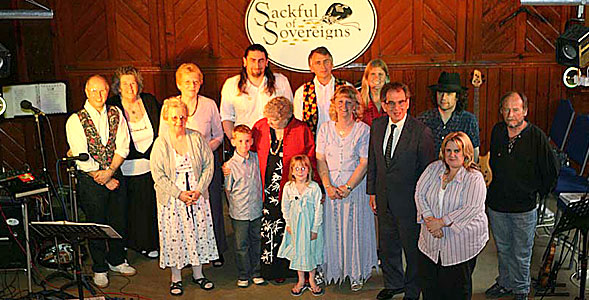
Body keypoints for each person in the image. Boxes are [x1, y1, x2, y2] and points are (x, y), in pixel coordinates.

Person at [485, 92, 559, 300]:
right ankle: (505, 283)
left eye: (516, 109)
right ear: (501, 111)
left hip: (523, 208)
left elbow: (551, 171)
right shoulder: (498, 131)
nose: (510, 114)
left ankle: (521, 290)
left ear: (525, 111)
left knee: (522, 253)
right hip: (497, 204)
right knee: (503, 249)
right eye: (506, 109)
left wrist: (534, 193)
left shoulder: (536, 137)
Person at [65, 75, 136, 288]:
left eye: (103, 90)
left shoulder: (116, 114)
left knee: (118, 220)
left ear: (108, 91)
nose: (99, 95)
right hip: (90, 180)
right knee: (96, 223)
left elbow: (123, 146)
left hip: (114, 174)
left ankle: (116, 260)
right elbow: (79, 154)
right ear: (87, 92)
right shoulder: (75, 120)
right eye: (94, 90)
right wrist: (104, 179)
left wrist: (112, 171)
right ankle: (99, 267)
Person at [366, 82, 435, 300]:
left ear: (408, 102)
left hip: (410, 203)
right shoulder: (377, 126)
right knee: (388, 247)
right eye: (391, 103)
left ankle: (413, 291)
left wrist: (423, 205)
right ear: (384, 105)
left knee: (412, 251)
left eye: (401, 102)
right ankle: (394, 284)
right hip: (383, 199)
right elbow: (374, 162)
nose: (397, 108)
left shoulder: (420, 131)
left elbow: (428, 173)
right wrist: (372, 192)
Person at [160, 63, 227, 267]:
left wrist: (204, 150)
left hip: (205, 164)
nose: (192, 85)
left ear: (201, 83)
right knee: (183, 211)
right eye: (187, 81)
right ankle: (187, 253)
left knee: (212, 206)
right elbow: (163, 137)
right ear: (179, 83)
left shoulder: (209, 104)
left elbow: (219, 135)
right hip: (178, 166)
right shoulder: (170, 105)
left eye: (196, 81)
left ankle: (215, 250)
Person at [150, 98, 217, 296]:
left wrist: (199, 189)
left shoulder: (196, 138)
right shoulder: (160, 143)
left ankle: (199, 274)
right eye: (174, 117)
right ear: (166, 118)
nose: (178, 121)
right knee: (175, 236)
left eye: (182, 116)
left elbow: (208, 165)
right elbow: (158, 175)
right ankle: (176, 278)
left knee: (198, 233)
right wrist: (179, 194)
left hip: (197, 195)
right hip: (173, 199)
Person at [251, 96, 319, 282]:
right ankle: (275, 271)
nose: (269, 123)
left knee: (294, 228)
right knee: (271, 229)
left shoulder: (301, 129)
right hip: (269, 190)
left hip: (294, 189)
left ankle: (296, 270)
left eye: (274, 121)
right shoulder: (260, 126)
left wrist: (314, 186)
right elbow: (248, 150)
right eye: (269, 119)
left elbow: (310, 159)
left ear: (286, 118)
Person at [316, 86, 377, 291]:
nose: (344, 106)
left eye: (348, 102)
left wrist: (348, 186)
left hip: (354, 188)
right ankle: (332, 269)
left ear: (355, 106)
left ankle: (355, 272)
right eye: (340, 102)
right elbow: (320, 159)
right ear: (334, 104)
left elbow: (364, 162)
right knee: (331, 230)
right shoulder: (324, 129)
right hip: (331, 187)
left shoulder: (363, 130)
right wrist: (328, 186)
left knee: (354, 229)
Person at [415, 131, 488, 300]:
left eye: (457, 151)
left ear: (466, 153)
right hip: (430, 240)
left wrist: (441, 222)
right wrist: (429, 220)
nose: (452, 155)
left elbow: (471, 207)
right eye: (448, 150)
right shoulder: (434, 168)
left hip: (460, 243)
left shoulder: (473, 177)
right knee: (430, 287)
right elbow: (420, 193)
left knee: (456, 289)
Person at [107, 66, 160, 259]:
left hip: (151, 166)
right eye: (125, 84)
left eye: (133, 83)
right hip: (124, 168)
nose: (131, 87)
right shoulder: (112, 105)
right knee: (129, 211)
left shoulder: (150, 101)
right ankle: (130, 245)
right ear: (118, 87)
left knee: (149, 208)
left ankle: (149, 243)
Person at [220, 44, 293, 138]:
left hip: (274, 141)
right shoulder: (231, 84)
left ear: (267, 62)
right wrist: (234, 141)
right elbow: (227, 117)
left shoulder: (281, 81)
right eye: (252, 60)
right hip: (245, 143)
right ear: (245, 61)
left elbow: (289, 114)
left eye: (261, 61)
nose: (257, 65)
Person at [224, 125, 266, 288]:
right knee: (241, 244)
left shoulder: (257, 158)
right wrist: (232, 208)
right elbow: (228, 190)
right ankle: (243, 274)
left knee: (256, 240)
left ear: (252, 141)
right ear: (233, 142)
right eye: (240, 141)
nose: (244, 145)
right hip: (239, 212)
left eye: (247, 141)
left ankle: (256, 272)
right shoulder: (229, 166)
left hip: (256, 210)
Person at [277, 155, 324, 296]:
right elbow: (284, 206)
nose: (300, 171)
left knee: (311, 252)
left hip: (310, 227)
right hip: (296, 227)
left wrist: (315, 228)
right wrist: (288, 223)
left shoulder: (314, 188)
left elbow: (318, 209)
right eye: (296, 168)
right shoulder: (288, 187)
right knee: (299, 253)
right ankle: (301, 280)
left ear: (309, 170)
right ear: (291, 171)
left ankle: (312, 280)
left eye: (303, 168)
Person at [418, 72, 480, 159]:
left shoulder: (468, 120)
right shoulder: (424, 119)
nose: (443, 98)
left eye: (449, 94)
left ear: (457, 97)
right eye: (440, 93)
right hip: (430, 170)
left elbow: (474, 153)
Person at [293, 46, 350, 137]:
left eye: (326, 62)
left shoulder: (346, 88)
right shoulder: (302, 92)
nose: (323, 67)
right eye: (318, 63)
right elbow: (298, 124)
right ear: (311, 67)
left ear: (332, 64)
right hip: (313, 143)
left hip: (342, 140)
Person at [360, 59, 389, 126]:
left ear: (386, 78)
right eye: (373, 74)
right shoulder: (359, 102)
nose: (377, 77)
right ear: (366, 78)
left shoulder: (392, 101)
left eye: (380, 74)